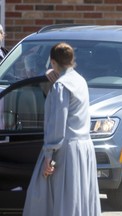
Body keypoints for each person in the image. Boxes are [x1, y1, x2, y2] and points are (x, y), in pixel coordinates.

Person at [23, 42, 101, 216]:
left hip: (66, 149)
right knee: (78, 199)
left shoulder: (61, 86)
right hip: (84, 147)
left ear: (52, 61)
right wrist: (53, 73)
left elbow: (58, 123)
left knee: (53, 198)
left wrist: (48, 156)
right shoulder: (80, 81)